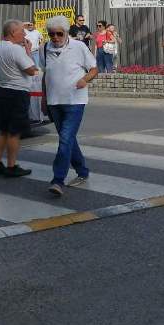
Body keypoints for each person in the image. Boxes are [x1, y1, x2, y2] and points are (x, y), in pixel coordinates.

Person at [40, 15, 98, 197]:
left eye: (59, 34)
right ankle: (82, 171)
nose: (55, 38)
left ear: (66, 32)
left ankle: (58, 180)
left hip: (75, 101)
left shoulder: (79, 47)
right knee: (68, 139)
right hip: (54, 101)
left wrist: (84, 79)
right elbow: (45, 75)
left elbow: (94, 69)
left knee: (65, 139)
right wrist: (43, 99)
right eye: (52, 34)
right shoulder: (45, 49)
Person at [0, 20, 39, 177]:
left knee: (3, 129)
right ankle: (11, 165)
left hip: (1, 91)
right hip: (17, 93)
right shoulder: (16, 50)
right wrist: (28, 51)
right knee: (14, 132)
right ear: (13, 33)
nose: (24, 34)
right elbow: (31, 70)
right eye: (22, 31)